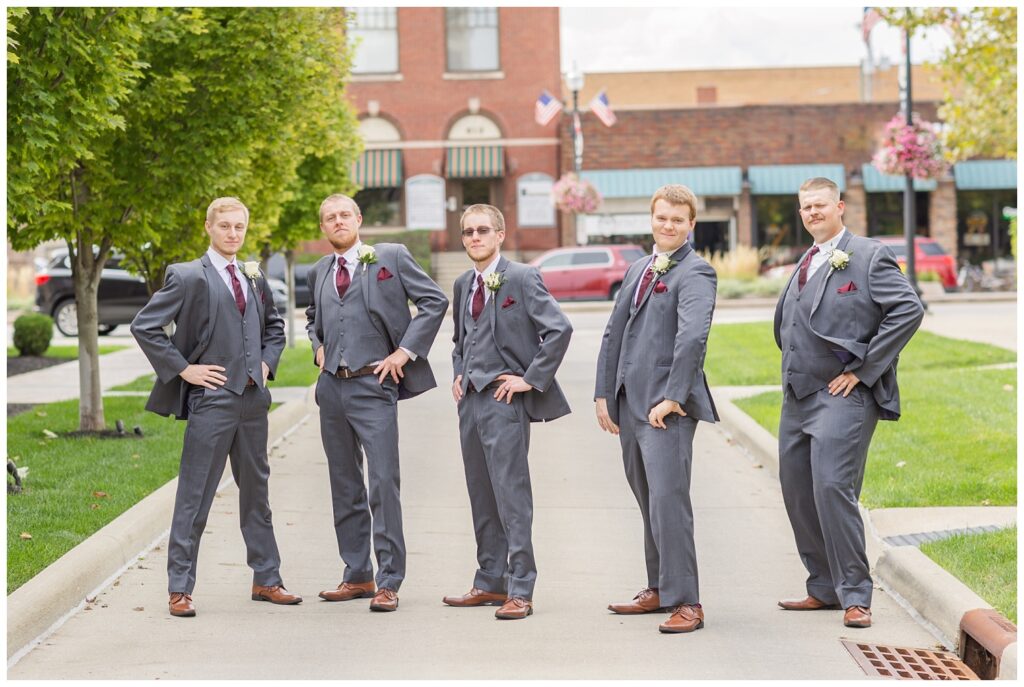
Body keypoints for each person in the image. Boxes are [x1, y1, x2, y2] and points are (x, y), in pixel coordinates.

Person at [131, 197, 299, 617]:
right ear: (208, 227)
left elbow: (274, 329)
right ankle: (180, 587)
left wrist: (265, 363)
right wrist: (184, 370)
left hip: (253, 402)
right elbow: (146, 326)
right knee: (195, 496)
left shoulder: (253, 276)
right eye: (224, 225)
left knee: (257, 495)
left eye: (239, 226)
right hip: (212, 403)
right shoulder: (187, 276)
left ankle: (267, 579)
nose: (232, 233)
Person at [774, 177, 923, 629]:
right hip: (797, 398)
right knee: (797, 491)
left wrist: (864, 369)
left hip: (843, 397)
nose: (812, 213)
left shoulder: (868, 254)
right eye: (805, 207)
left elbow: (908, 310)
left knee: (832, 490)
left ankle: (856, 594)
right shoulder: (806, 259)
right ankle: (823, 586)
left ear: (839, 206)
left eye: (820, 205)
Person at [307, 194, 448, 612]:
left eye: (344, 215)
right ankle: (357, 575)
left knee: (383, 483)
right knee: (344, 484)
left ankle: (389, 580)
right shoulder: (319, 270)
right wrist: (316, 345)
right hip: (332, 387)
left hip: (374, 385)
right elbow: (313, 318)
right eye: (330, 218)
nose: (338, 222)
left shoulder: (390, 256)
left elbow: (434, 302)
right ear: (323, 228)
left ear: (359, 219)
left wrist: (405, 352)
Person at [595, 184, 718, 634]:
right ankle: (659, 588)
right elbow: (614, 333)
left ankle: (688, 602)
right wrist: (603, 394)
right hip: (629, 405)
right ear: (652, 218)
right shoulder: (638, 268)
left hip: (667, 409)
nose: (668, 225)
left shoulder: (697, 273)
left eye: (677, 220)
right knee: (648, 500)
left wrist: (674, 395)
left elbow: (692, 339)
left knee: (669, 501)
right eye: (662, 217)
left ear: (691, 225)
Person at [443, 204, 573, 620]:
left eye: (482, 230)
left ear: (500, 234)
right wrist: (459, 372)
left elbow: (559, 329)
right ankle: (489, 582)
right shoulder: (464, 283)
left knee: (511, 495)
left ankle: (521, 587)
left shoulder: (521, 277)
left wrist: (529, 379)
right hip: (471, 402)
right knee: (480, 492)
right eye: (467, 232)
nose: (474, 238)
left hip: (505, 400)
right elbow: (460, 339)